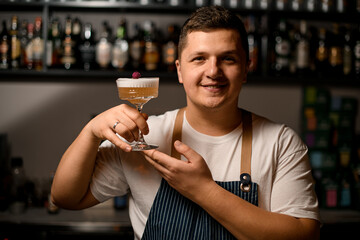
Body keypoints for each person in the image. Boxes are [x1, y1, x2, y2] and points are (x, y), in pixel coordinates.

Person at [51, 6, 320, 240]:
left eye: (228, 58)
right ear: (180, 70)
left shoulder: (280, 142)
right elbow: (65, 198)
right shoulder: (145, 136)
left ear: (245, 69)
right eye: (199, 59)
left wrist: (205, 191)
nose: (213, 71)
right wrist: (90, 133)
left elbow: (304, 235)